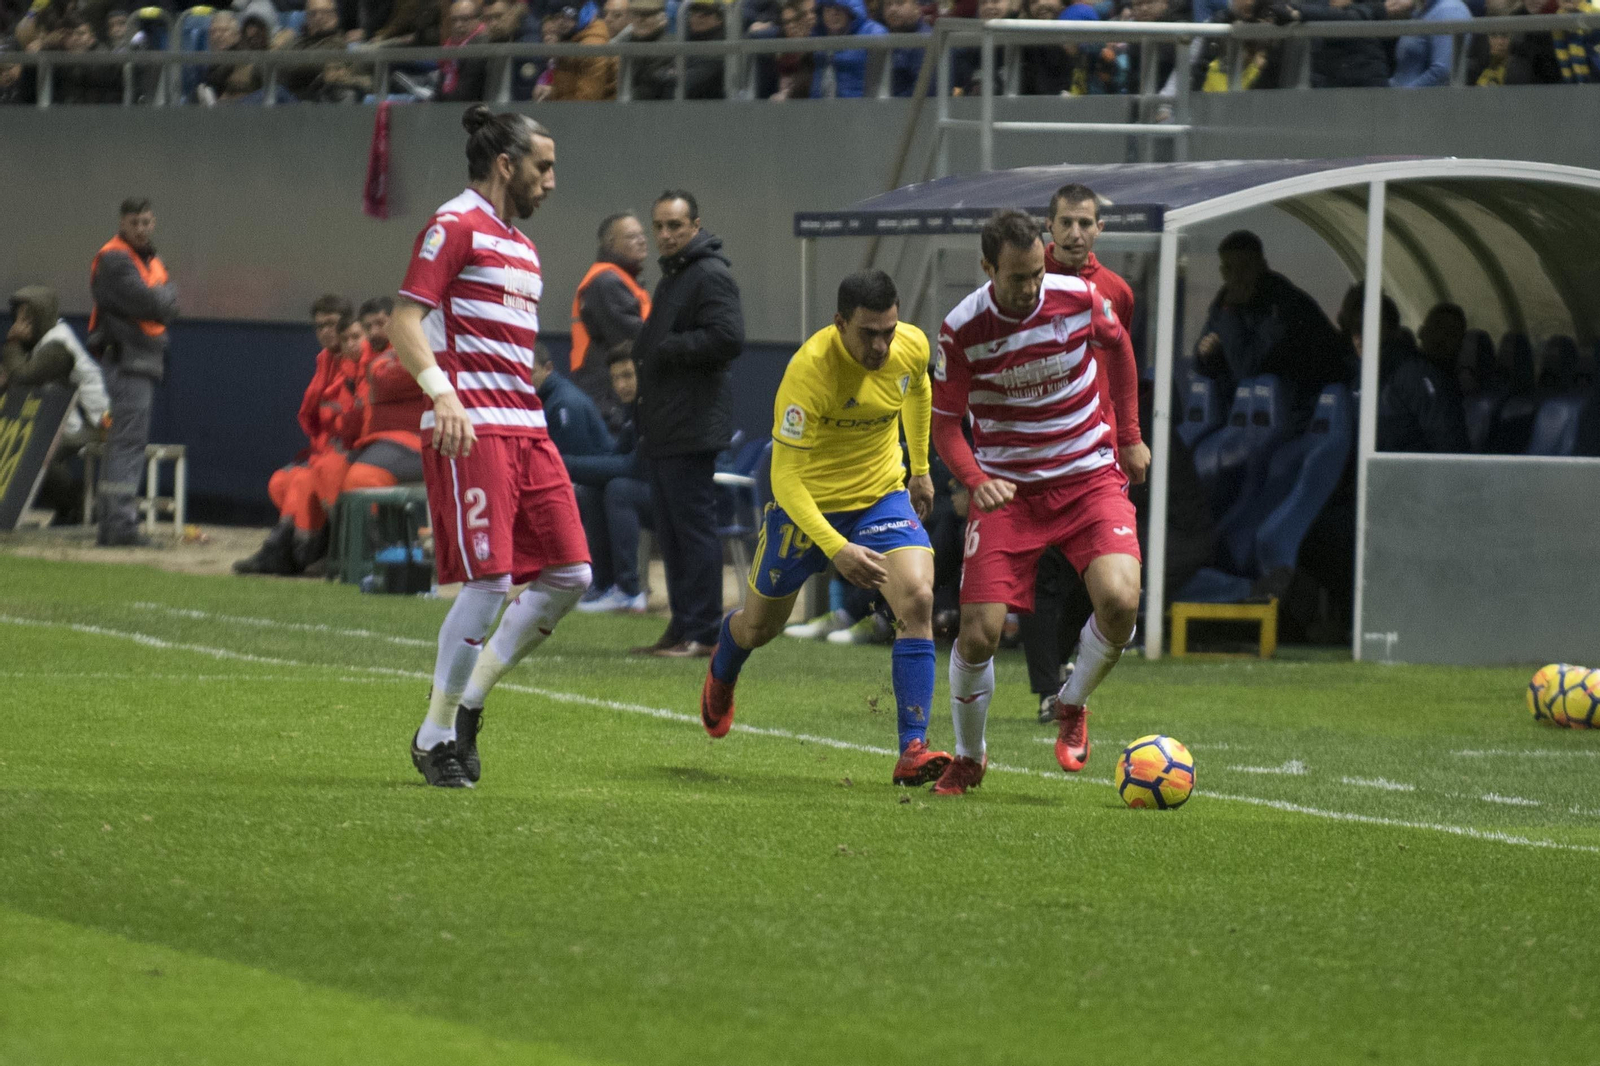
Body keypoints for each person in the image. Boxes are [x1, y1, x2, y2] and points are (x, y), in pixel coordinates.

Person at [389, 105, 591, 789]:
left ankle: (469, 700)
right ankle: (434, 733)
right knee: (491, 581)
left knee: (572, 575)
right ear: (507, 165)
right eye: (544, 166)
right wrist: (442, 394)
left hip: (528, 428)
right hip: (471, 425)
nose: (553, 181)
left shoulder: (522, 246)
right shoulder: (455, 225)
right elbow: (404, 320)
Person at [698, 270, 954, 786]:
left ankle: (912, 748)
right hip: (806, 509)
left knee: (919, 599)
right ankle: (725, 665)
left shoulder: (911, 346)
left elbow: (918, 389)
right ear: (840, 324)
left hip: (879, 499)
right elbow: (784, 479)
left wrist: (921, 469)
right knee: (760, 628)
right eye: (868, 333)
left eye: (889, 329)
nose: (881, 345)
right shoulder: (808, 373)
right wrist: (836, 550)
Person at [929, 210, 1145, 795]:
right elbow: (945, 425)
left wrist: (1128, 436)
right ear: (986, 269)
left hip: (1087, 477)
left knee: (1122, 600)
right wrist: (976, 480)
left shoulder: (1076, 296)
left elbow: (1120, 349)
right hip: (1009, 492)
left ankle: (1070, 705)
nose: (1029, 289)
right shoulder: (962, 328)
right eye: (1016, 278)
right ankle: (970, 757)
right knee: (978, 634)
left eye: (1035, 275)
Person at [1024, 183, 1146, 722]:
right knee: (1038, 574)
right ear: (1048, 226)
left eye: (1085, 223)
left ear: (1100, 230)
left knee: (1097, 572)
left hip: (1096, 453)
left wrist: (1131, 437)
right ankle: (1047, 687)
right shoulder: (1024, 283)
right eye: (1065, 222)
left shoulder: (1116, 291)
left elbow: (1122, 366)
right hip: (1033, 453)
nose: (1075, 233)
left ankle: (1072, 677)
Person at [630, 190, 745, 657]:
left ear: (696, 226)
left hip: (690, 425)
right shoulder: (675, 276)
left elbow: (729, 337)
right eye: (659, 226)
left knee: (692, 530)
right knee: (672, 532)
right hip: (667, 424)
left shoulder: (709, 275)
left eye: (675, 226)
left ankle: (702, 630)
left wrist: (670, 348)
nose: (665, 235)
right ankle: (682, 626)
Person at [235, 295, 362, 575]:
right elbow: (313, 418)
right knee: (282, 481)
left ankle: (303, 554)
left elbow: (354, 420)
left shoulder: (358, 361)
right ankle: (298, 552)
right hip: (325, 450)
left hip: (352, 451)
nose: (325, 331)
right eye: (319, 326)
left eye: (331, 324)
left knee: (305, 480)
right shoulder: (325, 361)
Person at [1192, 229, 1354, 427]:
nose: (1236, 277)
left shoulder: (1283, 305)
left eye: (1244, 267)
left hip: (1304, 414)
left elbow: (1248, 368)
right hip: (1251, 415)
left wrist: (1230, 316)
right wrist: (1207, 355)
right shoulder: (1224, 305)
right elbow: (1201, 362)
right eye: (1228, 269)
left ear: (1262, 266)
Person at [88, 197, 178, 547]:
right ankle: (119, 525)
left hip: (138, 363)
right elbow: (154, 303)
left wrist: (163, 300)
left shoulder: (147, 260)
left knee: (125, 444)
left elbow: (167, 304)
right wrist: (164, 298)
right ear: (122, 224)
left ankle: (113, 525)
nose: (141, 228)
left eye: (146, 222)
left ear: (153, 223)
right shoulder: (114, 259)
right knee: (127, 445)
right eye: (134, 222)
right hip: (127, 362)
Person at [2, 285, 110, 525]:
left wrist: (12, 343)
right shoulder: (42, 342)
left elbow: (23, 377)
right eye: (17, 317)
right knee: (30, 446)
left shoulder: (59, 344)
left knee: (37, 452)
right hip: (70, 420)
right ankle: (70, 507)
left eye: (26, 317)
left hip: (97, 423)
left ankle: (77, 505)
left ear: (40, 316)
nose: (19, 324)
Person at [571, 351, 653, 613]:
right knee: (593, 488)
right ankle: (603, 585)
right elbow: (617, 457)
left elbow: (634, 466)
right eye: (616, 378)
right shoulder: (633, 409)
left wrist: (563, 465)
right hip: (654, 490)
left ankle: (629, 591)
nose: (621, 385)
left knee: (619, 489)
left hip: (687, 496)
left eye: (628, 375)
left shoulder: (654, 408)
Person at [338, 296, 429, 495]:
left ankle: (379, 527)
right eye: (368, 327)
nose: (374, 332)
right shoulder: (356, 365)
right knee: (332, 472)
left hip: (416, 442)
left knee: (362, 478)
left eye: (380, 323)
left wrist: (372, 369)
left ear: (396, 320)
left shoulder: (414, 349)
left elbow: (384, 381)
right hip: (378, 440)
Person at [570, 211, 651, 424]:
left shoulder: (621, 280)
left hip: (610, 398)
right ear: (611, 243)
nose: (642, 241)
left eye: (643, 235)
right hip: (606, 402)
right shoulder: (606, 282)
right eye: (632, 236)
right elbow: (636, 340)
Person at [1378, 303, 1471, 453]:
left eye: (1452, 334)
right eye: (1437, 328)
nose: (1442, 338)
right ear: (1421, 332)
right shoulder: (1412, 375)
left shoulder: (1449, 387)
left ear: (1461, 344)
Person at [1387, 0, 1471, 88]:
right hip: (1396, 94)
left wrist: (1403, 96)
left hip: (1421, 99)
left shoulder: (1450, 10)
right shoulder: (1422, 10)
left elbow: (1442, 71)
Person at [810, 0, 885, 98]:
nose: (833, 14)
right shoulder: (818, 35)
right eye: (827, 9)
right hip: (820, 109)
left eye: (838, 8)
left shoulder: (873, 33)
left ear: (851, 11)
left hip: (860, 109)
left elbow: (880, 86)